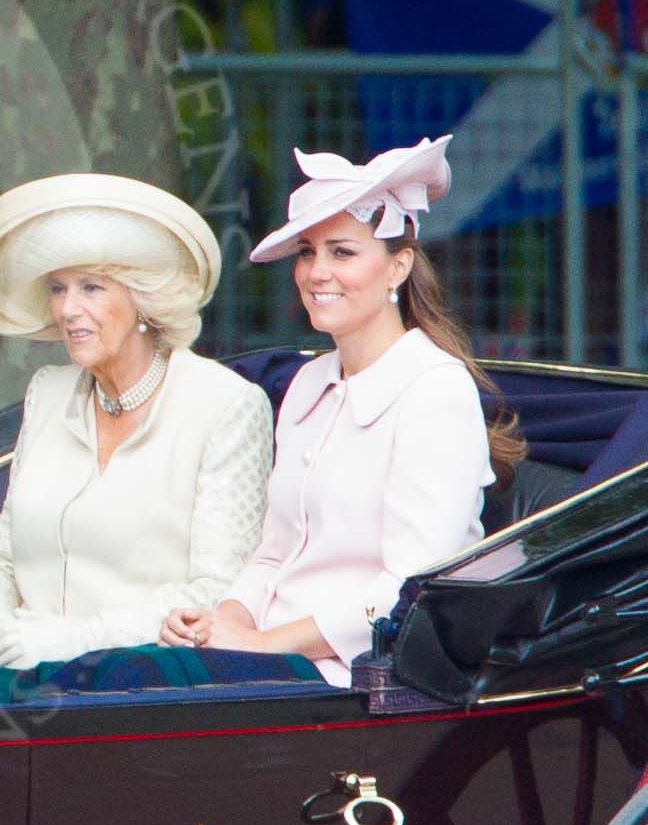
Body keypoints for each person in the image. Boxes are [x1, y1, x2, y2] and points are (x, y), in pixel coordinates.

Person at [163, 137, 522, 685]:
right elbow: (275, 555)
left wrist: (258, 645)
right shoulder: (308, 382)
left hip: (357, 677)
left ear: (398, 267)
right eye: (308, 251)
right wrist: (223, 621)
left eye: (342, 252)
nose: (316, 272)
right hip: (267, 661)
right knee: (106, 674)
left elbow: (411, 588)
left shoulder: (436, 390)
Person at [0, 174, 271, 672]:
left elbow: (218, 586)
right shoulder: (48, 392)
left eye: (91, 287)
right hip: (14, 665)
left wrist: (70, 642)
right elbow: (2, 556)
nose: (66, 309)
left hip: (140, 676)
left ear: (142, 299)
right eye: (58, 289)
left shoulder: (226, 405)